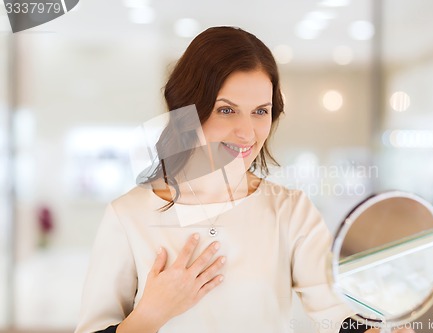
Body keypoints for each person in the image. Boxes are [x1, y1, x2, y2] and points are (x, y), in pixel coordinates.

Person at [75, 26, 413, 333]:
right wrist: (150, 314)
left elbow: (338, 313)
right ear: (187, 110)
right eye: (226, 109)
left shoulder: (290, 211)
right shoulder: (128, 215)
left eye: (260, 111)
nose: (247, 132)